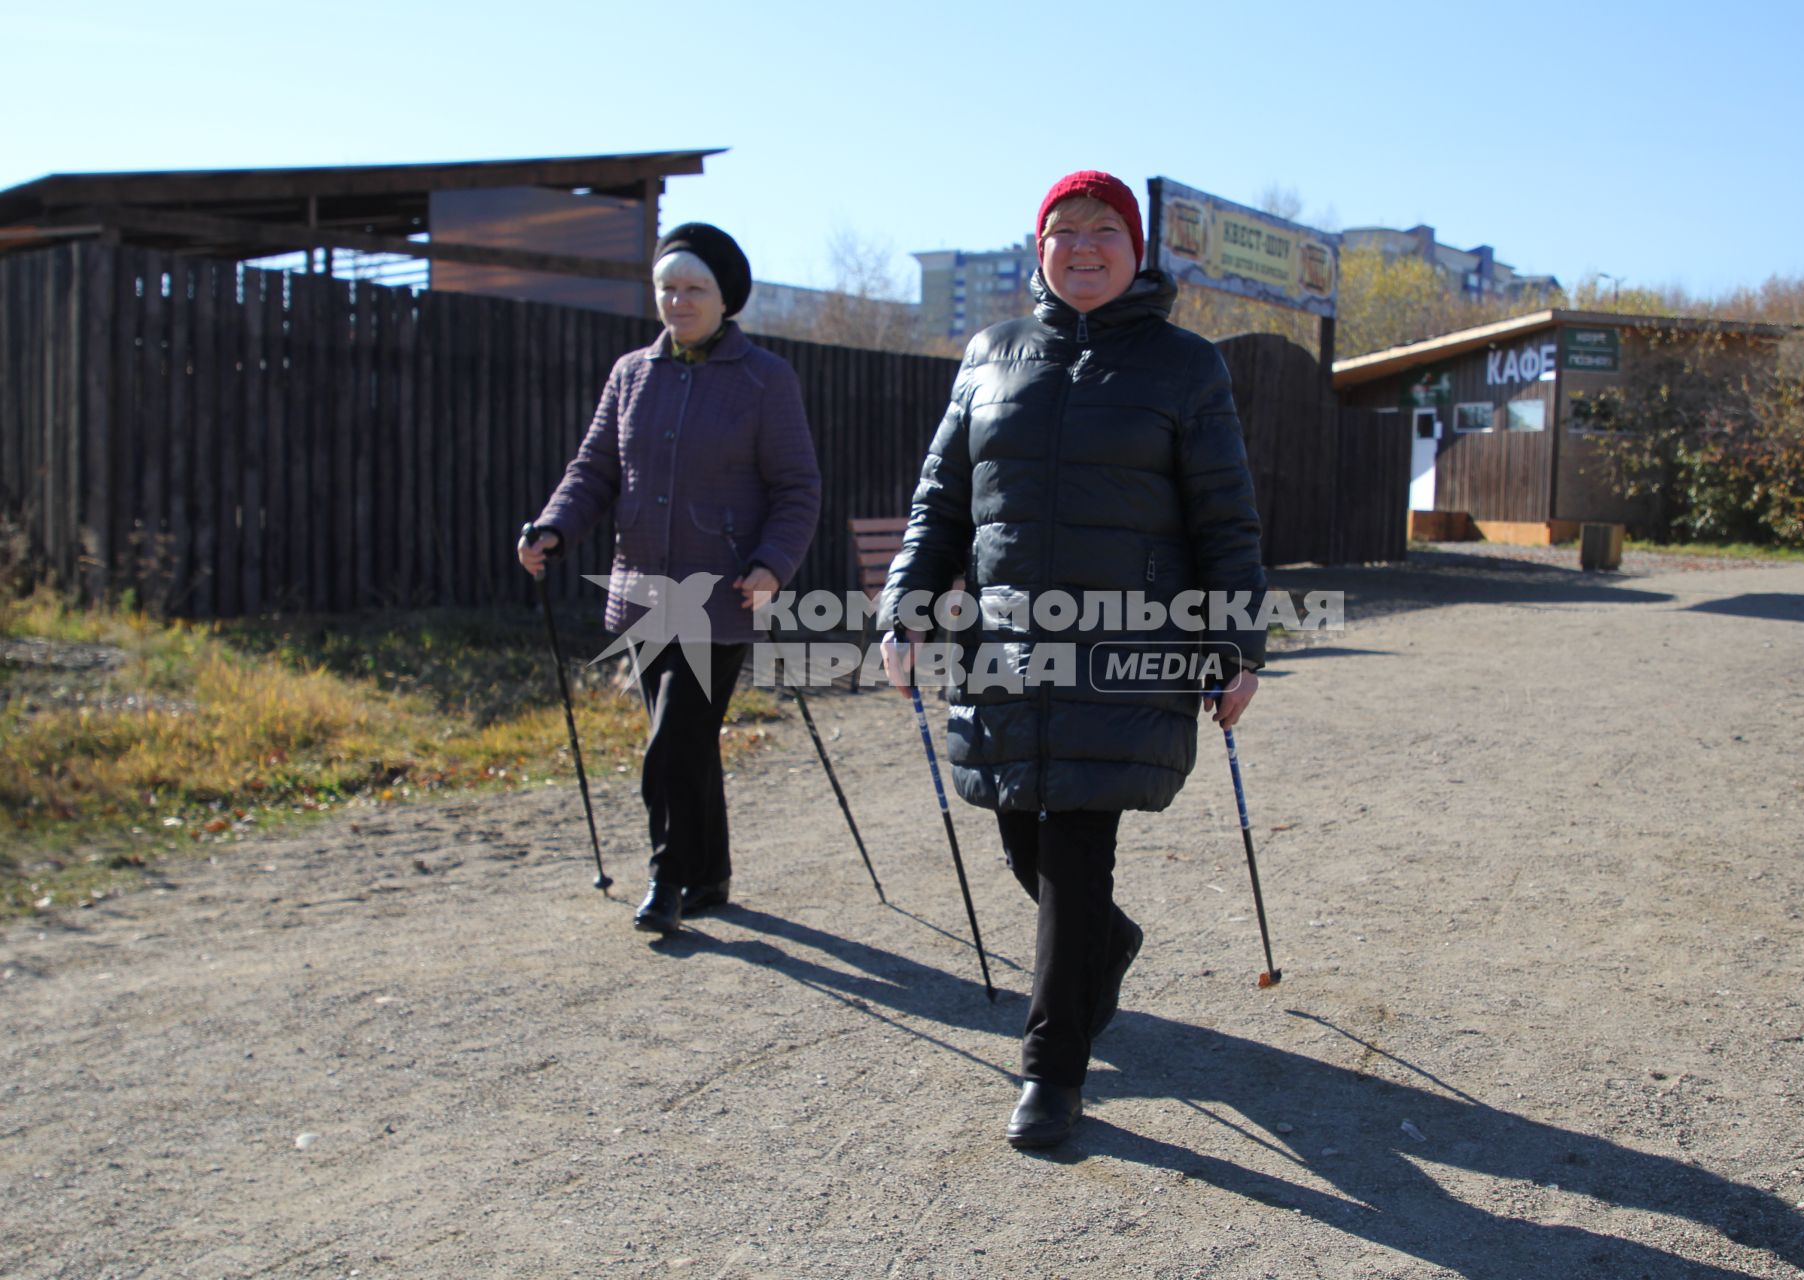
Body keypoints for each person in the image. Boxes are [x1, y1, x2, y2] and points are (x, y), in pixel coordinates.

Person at [879, 172, 1267, 1149]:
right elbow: (943, 504)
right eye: (1064, 231)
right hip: (1005, 646)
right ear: (1037, 246)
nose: (1084, 246)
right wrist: (904, 608)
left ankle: (1052, 1069)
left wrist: (1236, 644)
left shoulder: (1188, 365)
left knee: (1076, 840)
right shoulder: (991, 353)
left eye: (1105, 230)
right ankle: (1108, 942)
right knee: (1023, 840)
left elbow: (1226, 516)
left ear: (1136, 248)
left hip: (1128, 647)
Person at [519, 223, 821, 935]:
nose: (679, 301)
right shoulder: (631, 374)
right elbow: (594, 471)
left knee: (674, 739)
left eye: (695, 289)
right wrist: (554, 527)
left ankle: (669, 875)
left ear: (726, 298)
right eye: (668, 289)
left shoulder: (764, 380)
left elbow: (797, 489)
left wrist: (773, 564)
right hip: (641, 596)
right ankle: (710, 872)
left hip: (722, 596)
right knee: (683, 737)